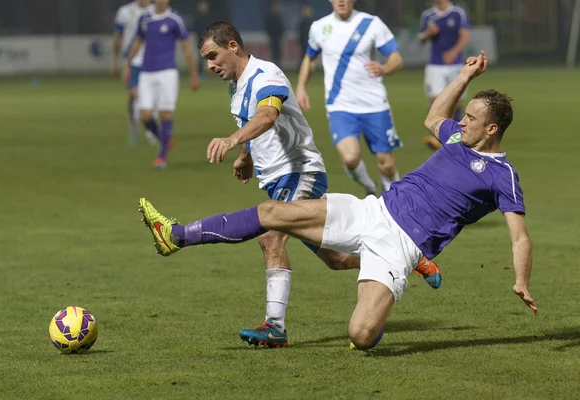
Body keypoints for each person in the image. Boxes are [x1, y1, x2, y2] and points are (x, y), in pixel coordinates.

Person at [138, 50, 537, 350]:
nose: (461, 121)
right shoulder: (454, 136)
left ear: (491, 128)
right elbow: (434, 115)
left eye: (471, 118)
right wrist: (464, 76)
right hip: (372, 210)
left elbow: (519, 237)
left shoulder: (503, 177)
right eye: (464, 116)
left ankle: (399, 281)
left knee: (361, 336)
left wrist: (520, 280)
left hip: (402, 246)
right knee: (272, 216)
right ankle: (176, 235)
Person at [184, 22, 440, 349]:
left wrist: (232, 141)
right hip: (277, 179)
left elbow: (267, 117)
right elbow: (252, 121)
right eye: (205, 59)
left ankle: (275, 327)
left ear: (233, 46)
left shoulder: (266, 76)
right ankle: (404, 255)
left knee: (269, 237)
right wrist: (246, 154)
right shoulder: (237, 85)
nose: (209, 66)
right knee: (335, 259)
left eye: (212, 56)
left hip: (301, 172)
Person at [297, 0, 404, 196]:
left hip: (374, 104)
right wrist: (301, 87)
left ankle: (394, 204)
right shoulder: (319, 27)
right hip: (340, 106)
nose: (341, 1)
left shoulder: (371, 24)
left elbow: (396, 58)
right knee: (350, 158)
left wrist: (384, 69)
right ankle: (369, 187)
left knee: (386, 164)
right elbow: (309, 58)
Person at [123, 0, 201, 170]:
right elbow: (137, 41)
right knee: (145, 115)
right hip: (146, 72)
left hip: (167, 72)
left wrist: (193, 73)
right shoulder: (144, 19)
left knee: (165, 114)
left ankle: (162, 156)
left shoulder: (175, 20)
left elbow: (186, 47)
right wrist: (128, 65)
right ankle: (165, 140)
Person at [419, 0, 471, 150]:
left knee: (456, 101)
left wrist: (454, 52)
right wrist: (428, 34)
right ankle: (436, 137)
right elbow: (421, 38)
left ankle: (457, 136)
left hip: (455, 65)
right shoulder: (428, 15)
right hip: (435, 65)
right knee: (435, 100)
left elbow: (465, 36)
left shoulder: (457, 13)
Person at [111, 0, 157, 146]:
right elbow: (118, 37)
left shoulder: (156, 10)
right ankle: (134, 129)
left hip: (152, 57)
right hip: (132, 58)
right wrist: (115, 60)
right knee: (134, 94)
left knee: (152, 95)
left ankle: (151, 132)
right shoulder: (124, 11)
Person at [193, 0, 213, 79]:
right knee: (201, 56)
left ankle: (211, 71)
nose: (203, 8)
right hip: (200, 40)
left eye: (204, 6)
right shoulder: (197, 18)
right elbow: (195, 29)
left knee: (210, 56)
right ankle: (200, 73)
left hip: (209, 40)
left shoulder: (209, 18)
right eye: (201, 6)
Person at [264, 1, 284, 66]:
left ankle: (277, 65)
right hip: (273, 37)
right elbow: (269, 27)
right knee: (274, 53)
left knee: (277, 53)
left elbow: (281, 27)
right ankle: (275, 65)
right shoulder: (271, 16)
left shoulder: (278, 16)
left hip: (277, 38)